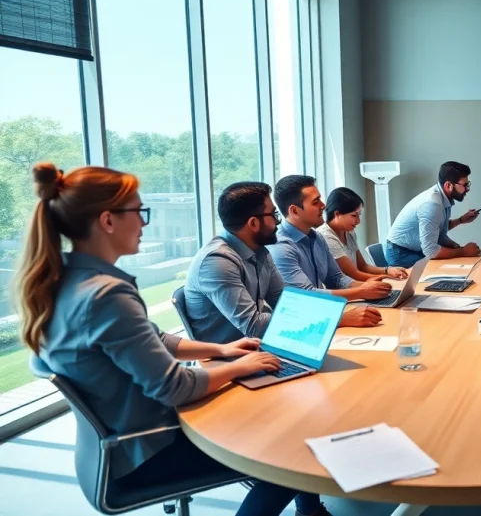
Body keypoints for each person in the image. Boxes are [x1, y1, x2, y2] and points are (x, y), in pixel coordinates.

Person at [16, 164, 308, 516]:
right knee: (290, 450)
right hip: (146, 452)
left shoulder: (68, 281)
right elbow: (175, 388)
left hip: (117, 447)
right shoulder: (107, 296)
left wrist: (222, 350)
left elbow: (156, 339)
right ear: (108, 221)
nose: (143, 222)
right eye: (139, 212)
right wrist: (239, 368)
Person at [186, 181, 383, 345]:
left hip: (264, 346)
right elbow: (254, 326)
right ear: (253, 223)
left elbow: (288, 300)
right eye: (273, 215)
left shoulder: (260, 250)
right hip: (230, 359)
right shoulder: (217, 262)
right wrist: (337, 319)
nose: (278, 222)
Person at [268, 175, 391, 317]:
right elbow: (306, 296)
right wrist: (362, 291)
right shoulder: (281, 247)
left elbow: (337, 278)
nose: (323, 205)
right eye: (315, 202)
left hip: (319, 312)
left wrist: (368, 287)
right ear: (294, 211)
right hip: (300, 320)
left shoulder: (317, 237)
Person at [385, 161, 481, 267]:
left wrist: (461, 221)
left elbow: (438, 231)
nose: (467, 189)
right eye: (465, 185)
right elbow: (431, 251)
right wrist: (463, 252)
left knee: (453, 263)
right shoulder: (432, 205)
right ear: (448, 185)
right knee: (441, 268)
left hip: (414, 248)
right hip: (400, 253)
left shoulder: (443, 198)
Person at [318, 187, 409, 282]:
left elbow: (362, 267)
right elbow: (354, 274)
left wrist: (388, 271)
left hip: (355, 286)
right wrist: (387, 278)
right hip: (343, 292)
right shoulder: (326, 237)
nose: (358, 221)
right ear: (337, 214)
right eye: (354, 215)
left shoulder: (349, 233)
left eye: (359, 215)